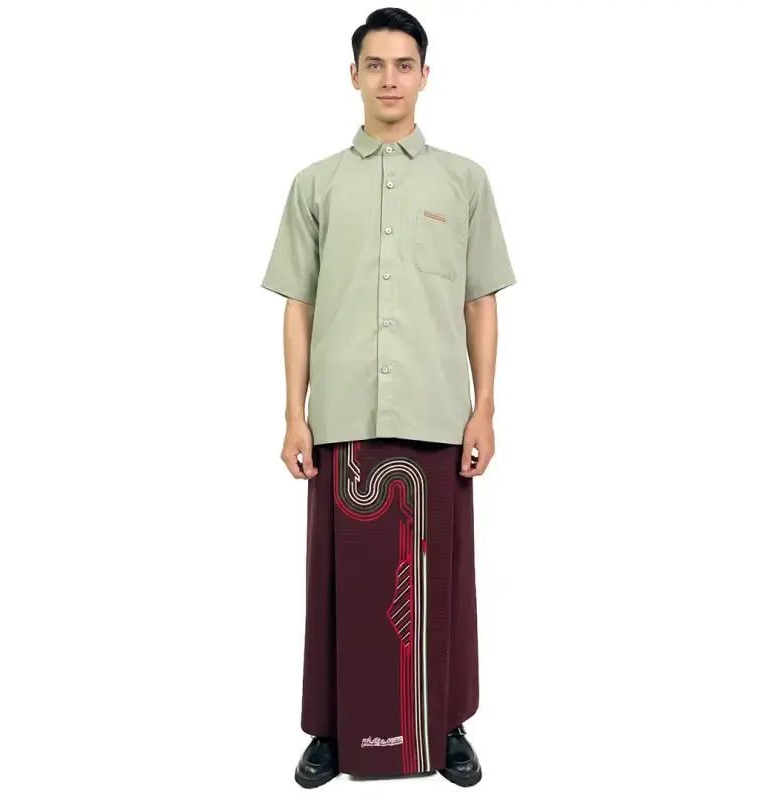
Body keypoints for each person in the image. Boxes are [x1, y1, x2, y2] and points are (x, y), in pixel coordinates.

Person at [260, 7, 516, 789]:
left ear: (425, 76)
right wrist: (294, 413)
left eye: (404, 65)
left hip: (437, 415)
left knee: (443, 583)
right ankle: (331, 732)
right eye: (375, 65)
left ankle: (449, 723)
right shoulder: (316, 184)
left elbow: (480, 299)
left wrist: (484, 407)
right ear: (354, 76)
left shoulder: (464, 181)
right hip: (342, 419)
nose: (390, 79)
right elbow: (298, 305)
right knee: (338, 582)